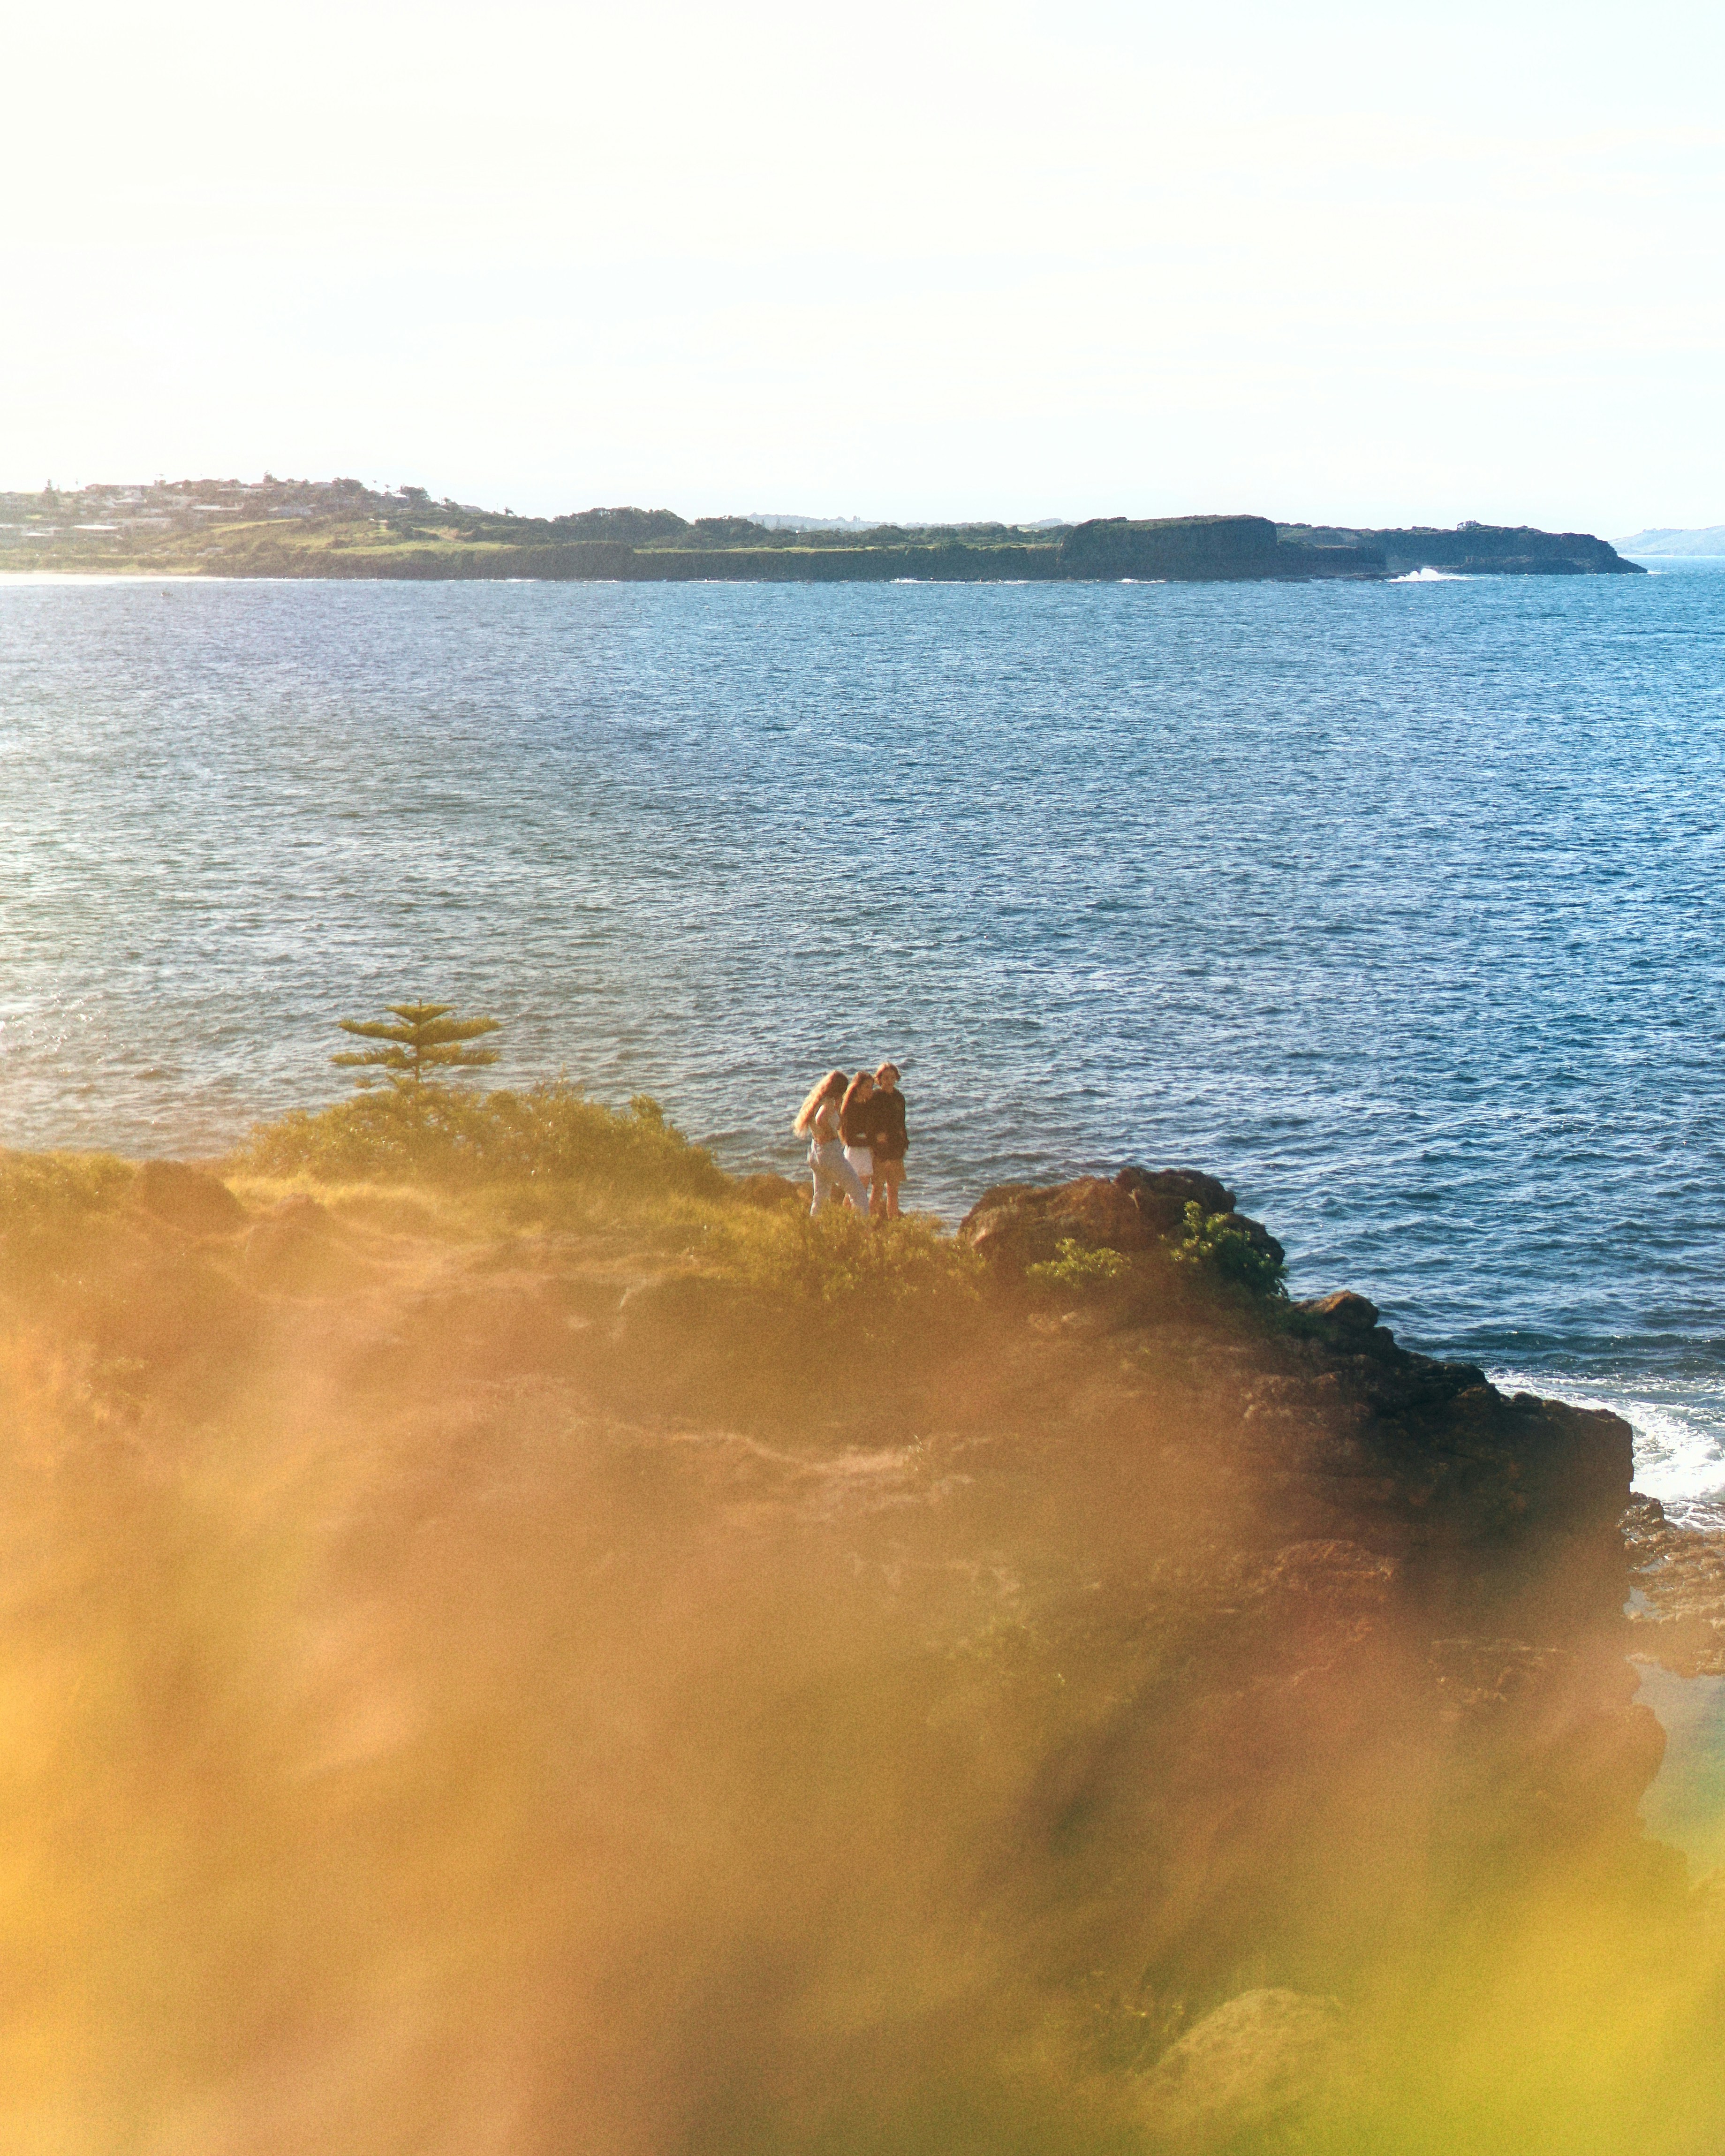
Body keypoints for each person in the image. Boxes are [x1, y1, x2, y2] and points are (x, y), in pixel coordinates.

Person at [793, 1068, 869, 1218]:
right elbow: (821, 1120)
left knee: (820, 1197)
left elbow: (836, 1124)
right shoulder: (827, 1103)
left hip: (816, 1152)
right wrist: (831, 1133)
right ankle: (862, 1231)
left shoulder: (817, 1102)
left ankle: (815, 1230)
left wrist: (838, 1108)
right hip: (830, 1153)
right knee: (859, 1194)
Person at [867, 1060, 908, 1219]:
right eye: (886, 1078)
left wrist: (904, 1143)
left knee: (894, 1189)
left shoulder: (899, 1097)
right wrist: (875, 1139)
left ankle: (893, 1222)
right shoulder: (875, 1097)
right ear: (880, 1079)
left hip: (896, 1148)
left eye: (892, 1077)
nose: (889, 1081)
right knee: (877, 1189)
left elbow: (901, 1123)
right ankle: (870, 1222)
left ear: (896, 1078)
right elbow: (869, 1123)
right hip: (880, 1149)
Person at [838, 1070, 876, 1213]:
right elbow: (850, 1139)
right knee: (857, 1190)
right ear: (858, 1088)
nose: (870, 1090)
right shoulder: (850, 1108)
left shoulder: (867, 1106)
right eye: (867, 1087)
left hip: (865, 1150)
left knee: (857, 1190)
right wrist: (871, 1141)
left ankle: (848, 1220)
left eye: (871, 1087)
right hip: (855, 1151)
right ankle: (855, 1221)